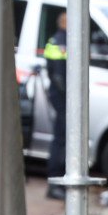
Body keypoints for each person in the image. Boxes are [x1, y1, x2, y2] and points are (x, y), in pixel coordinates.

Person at [42, 12, 68, 201]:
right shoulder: (61, 41)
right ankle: (55, 183)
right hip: (63, 98)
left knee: (62, 140)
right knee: (60, 140)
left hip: (61, 96)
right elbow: (59, 75)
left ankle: (58, 182)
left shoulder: (59, 39)